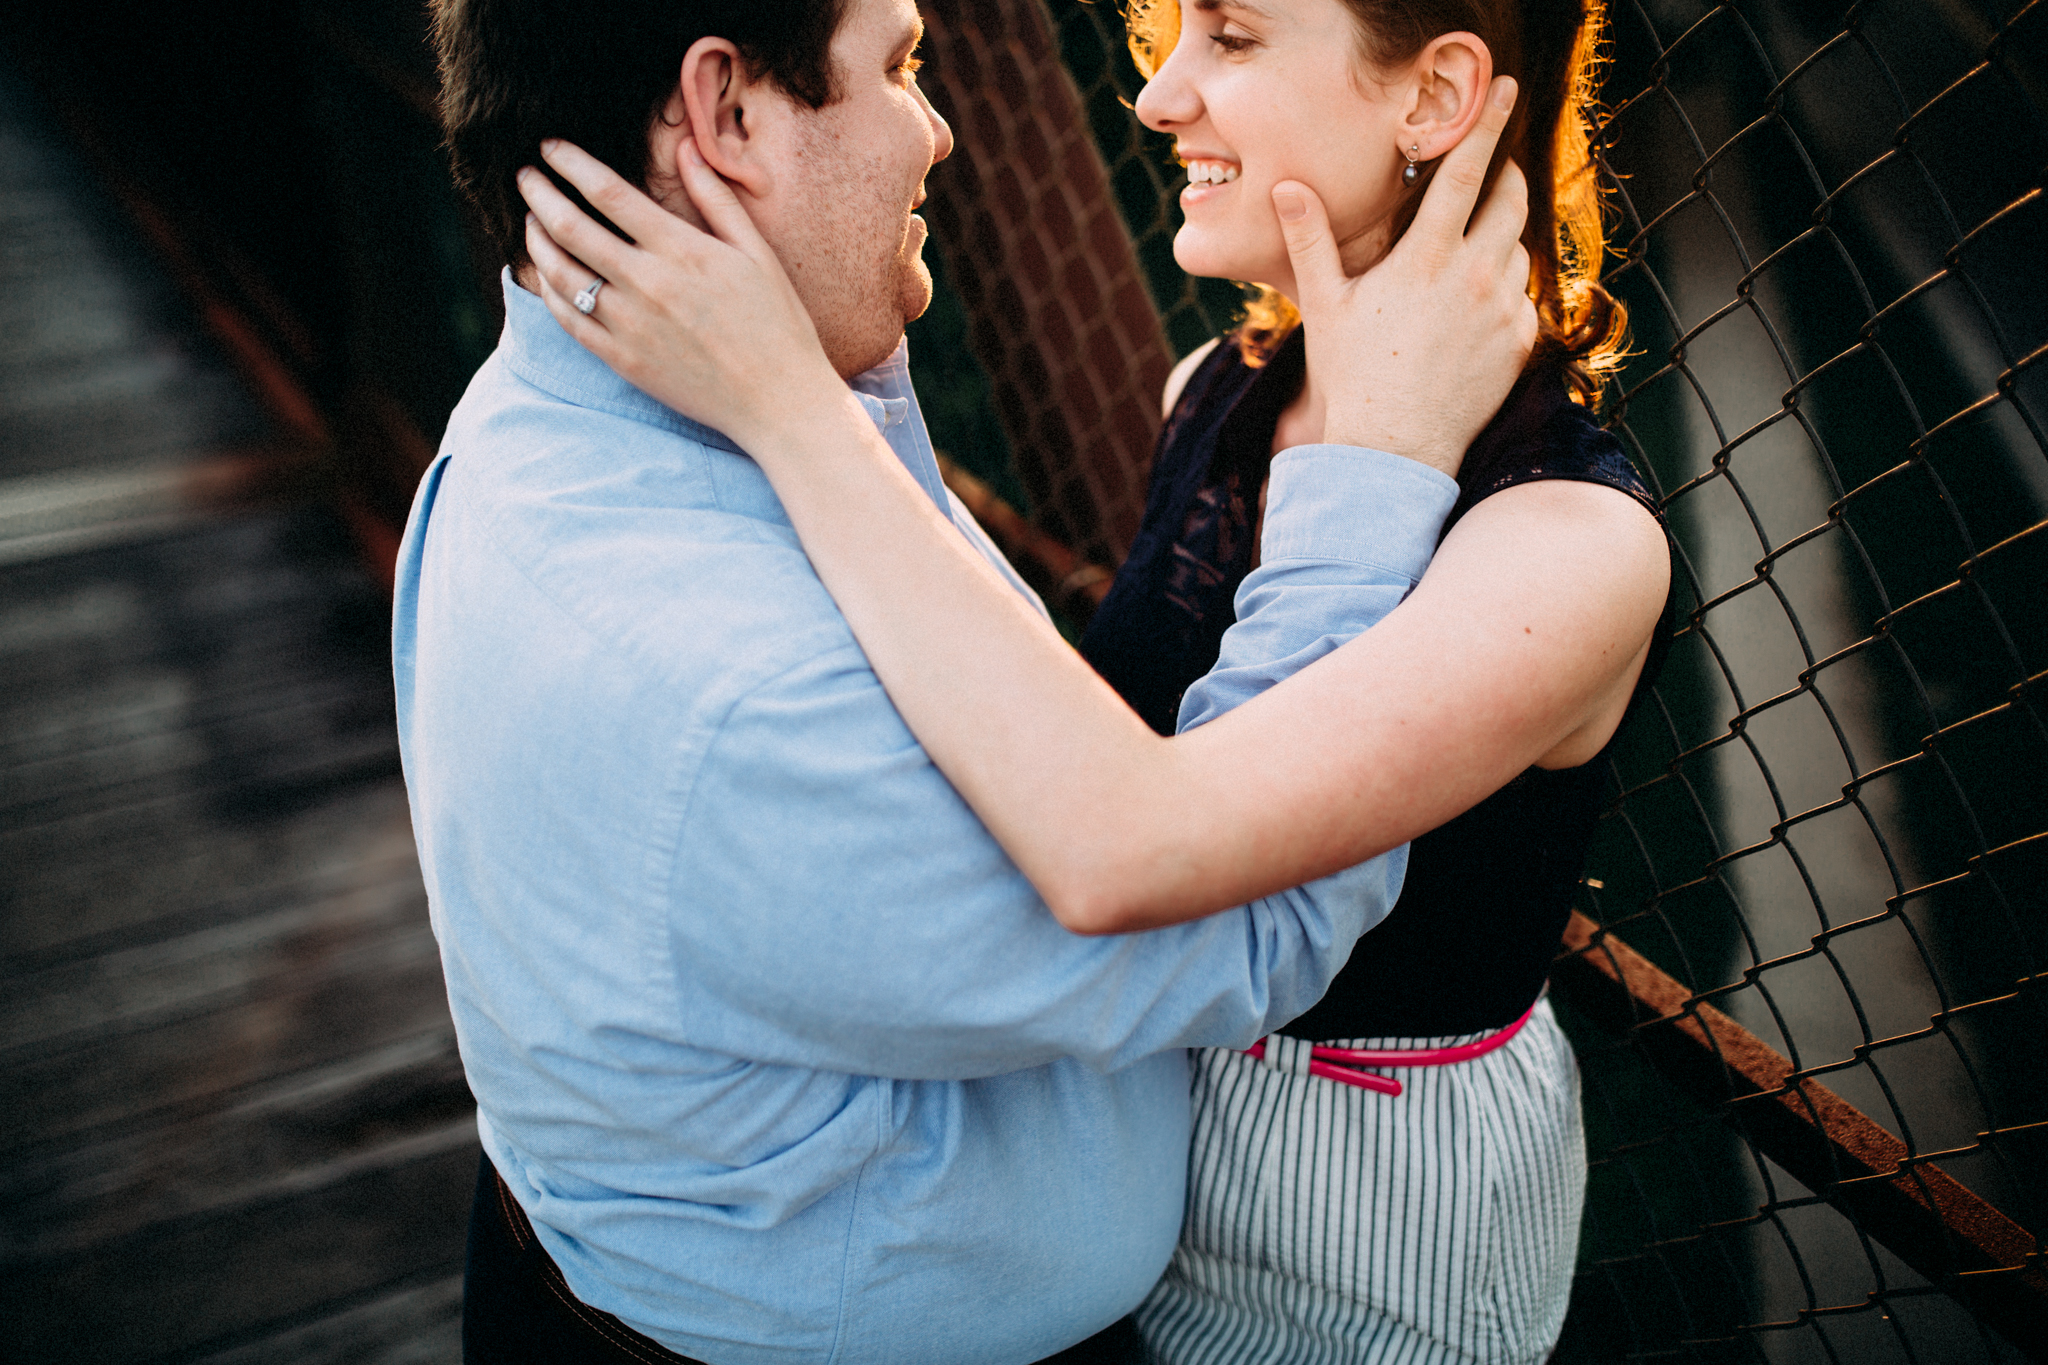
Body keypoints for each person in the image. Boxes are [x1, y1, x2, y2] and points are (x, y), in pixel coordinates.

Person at [513, 0, 1672, 1360]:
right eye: (1174, 34)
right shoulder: (1209, 393)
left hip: (1359, 1231)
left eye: (1231, 40)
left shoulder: (1568, 549)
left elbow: (1172, 847)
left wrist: (786, 394)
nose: (1158, 99)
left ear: (1433, 97)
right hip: (1118, 1133)